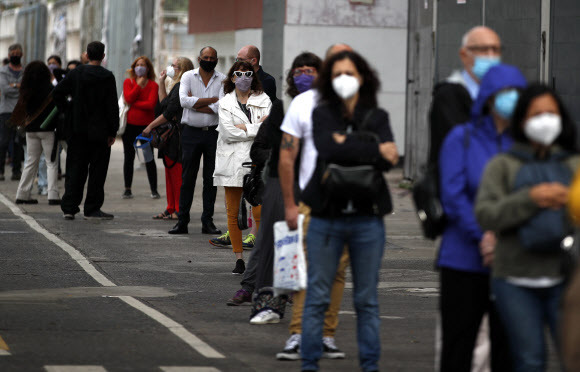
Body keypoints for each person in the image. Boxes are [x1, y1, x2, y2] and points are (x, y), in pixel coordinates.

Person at [300, 50, 398, 372]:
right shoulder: (322, 113)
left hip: (368, 220)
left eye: (350, 73)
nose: (344, 79)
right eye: (337, 73)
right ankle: (309, 365)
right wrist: (370, 147)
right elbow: (327, 148)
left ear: (363, 77)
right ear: (329, 80)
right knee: (317, 297)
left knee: (367, 301)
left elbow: (390, 159)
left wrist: (350, 144)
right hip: (326, 218)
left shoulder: (378, 115)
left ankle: (370, 366)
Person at [475, 84, 579, 372]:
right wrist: (531, 199)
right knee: (529, 360)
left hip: (566, 279)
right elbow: (487, 215)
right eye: (537, 114)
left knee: (573, 357)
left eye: (551, 113)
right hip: (515, 280)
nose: (545, 120)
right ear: (522, 120)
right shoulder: (503, 165)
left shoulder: (573, 164)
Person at [437, 63, 527, 372]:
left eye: (517, 93)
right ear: (488, 96)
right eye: (504, 92)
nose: (510, 99)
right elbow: (453, 194)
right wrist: (484, 235)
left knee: (509, 349)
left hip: (513, 260)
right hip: (462, 258)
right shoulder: (461, 138)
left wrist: (503, 236)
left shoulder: (527, 144)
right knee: (458, 346)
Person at [226, 53, 322, 316]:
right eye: (299, 70)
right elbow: (259, 148)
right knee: (269, 239)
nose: (304, 76)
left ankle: (287, 297)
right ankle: (252, 290)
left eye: (310, 70)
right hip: (281, 182)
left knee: (300, 246)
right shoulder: (283, 107)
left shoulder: (328, 109)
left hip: (315, 186)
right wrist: (283, 158)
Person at [277, 43, 352, 361]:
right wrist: (291, 204)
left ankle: (327, 336)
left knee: (336, 272)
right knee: (304, 269)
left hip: (350, 204)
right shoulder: (304, 103)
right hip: (312, 202)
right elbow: (286, 156)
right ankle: (298, 334)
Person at [214, 60, 271, 274]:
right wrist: (255, 128)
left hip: (256, 160)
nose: (243, 77)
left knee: (259, 210)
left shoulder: (263, 99)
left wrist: (245, 127)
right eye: (239, 73)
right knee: (233, 212)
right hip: (231, 161)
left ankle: (262, 256)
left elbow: (268, 129)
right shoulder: (225, 103)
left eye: (248, 73)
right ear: (232, 77)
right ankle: (239, 259)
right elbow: (228, 132)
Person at [53, 41, 118, 220]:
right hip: (101, 131)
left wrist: (68, 109)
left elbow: (57, 93)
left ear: (87, 56)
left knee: (75, 168)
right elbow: (112, 106)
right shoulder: (107, 77)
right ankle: (92, 208)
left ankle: (69, 207)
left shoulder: (76, 73)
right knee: (97, 171)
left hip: (77, 129)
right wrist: (113, 130)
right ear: (103, 56)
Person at [168, 46, 224, 235]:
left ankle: (207, 221)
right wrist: (211, 101)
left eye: (212, 57)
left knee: (210, 179)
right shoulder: (188, 77)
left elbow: (222, 106)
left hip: (213, 133)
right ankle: (182, 220)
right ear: (199, 59)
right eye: (205, 57)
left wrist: (197, 103)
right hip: (191, 133)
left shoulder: (222, 79)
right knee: (187, 178)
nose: (209, 60)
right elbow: (184, 101)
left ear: (216, 59)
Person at [429, 26, 502, 166]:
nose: (490, 56)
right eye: (483, 50)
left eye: (495, 50)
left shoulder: (500, 95)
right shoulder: (448, 96)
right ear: (464, 54)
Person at [143, 57, 194, 220]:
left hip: (177, 136)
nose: (171, 68)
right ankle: (171, 207)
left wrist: (150, 126)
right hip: (171, 137)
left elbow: (168, 113)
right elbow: (164, 103)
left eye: (175, 66)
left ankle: (178, 208)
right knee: (169, 171)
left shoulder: (182, 87)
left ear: (183, 70)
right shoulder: (175, 86)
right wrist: (161, 82)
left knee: (177, 173)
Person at [10, 61, 59, 205]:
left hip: (31, 130)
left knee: (30, 162)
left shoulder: (26, 90)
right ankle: (53, 195)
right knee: (51, 162)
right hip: (48, 130)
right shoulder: (50, 89)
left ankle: (22, 194)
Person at [122, 56, 159, 199]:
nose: (140, 67)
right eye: (137, 64)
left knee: (148, 158)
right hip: (130, 126)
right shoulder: (128, 82)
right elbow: (128, 98)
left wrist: (134, 103)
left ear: (148, 68)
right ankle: (127, 188)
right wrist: (138, 86)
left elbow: (151, 104)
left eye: (143, 64)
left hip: (146, 127)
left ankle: (154, 189)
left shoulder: (153, 85)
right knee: (128, 157)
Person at [0, 43, 25, 181]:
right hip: (6, 111)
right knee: (3, 141)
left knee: (18, 142)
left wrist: (13, 86)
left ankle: (17, 171)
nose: (15, 56)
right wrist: (18, 86)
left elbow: (26, 90)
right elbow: (5, 90)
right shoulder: (3, 71)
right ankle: (1, 170)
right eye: (13, 54)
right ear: (9, 56)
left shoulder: (25, 71)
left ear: (21, 55)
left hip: (20, 111)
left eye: (18, 53)